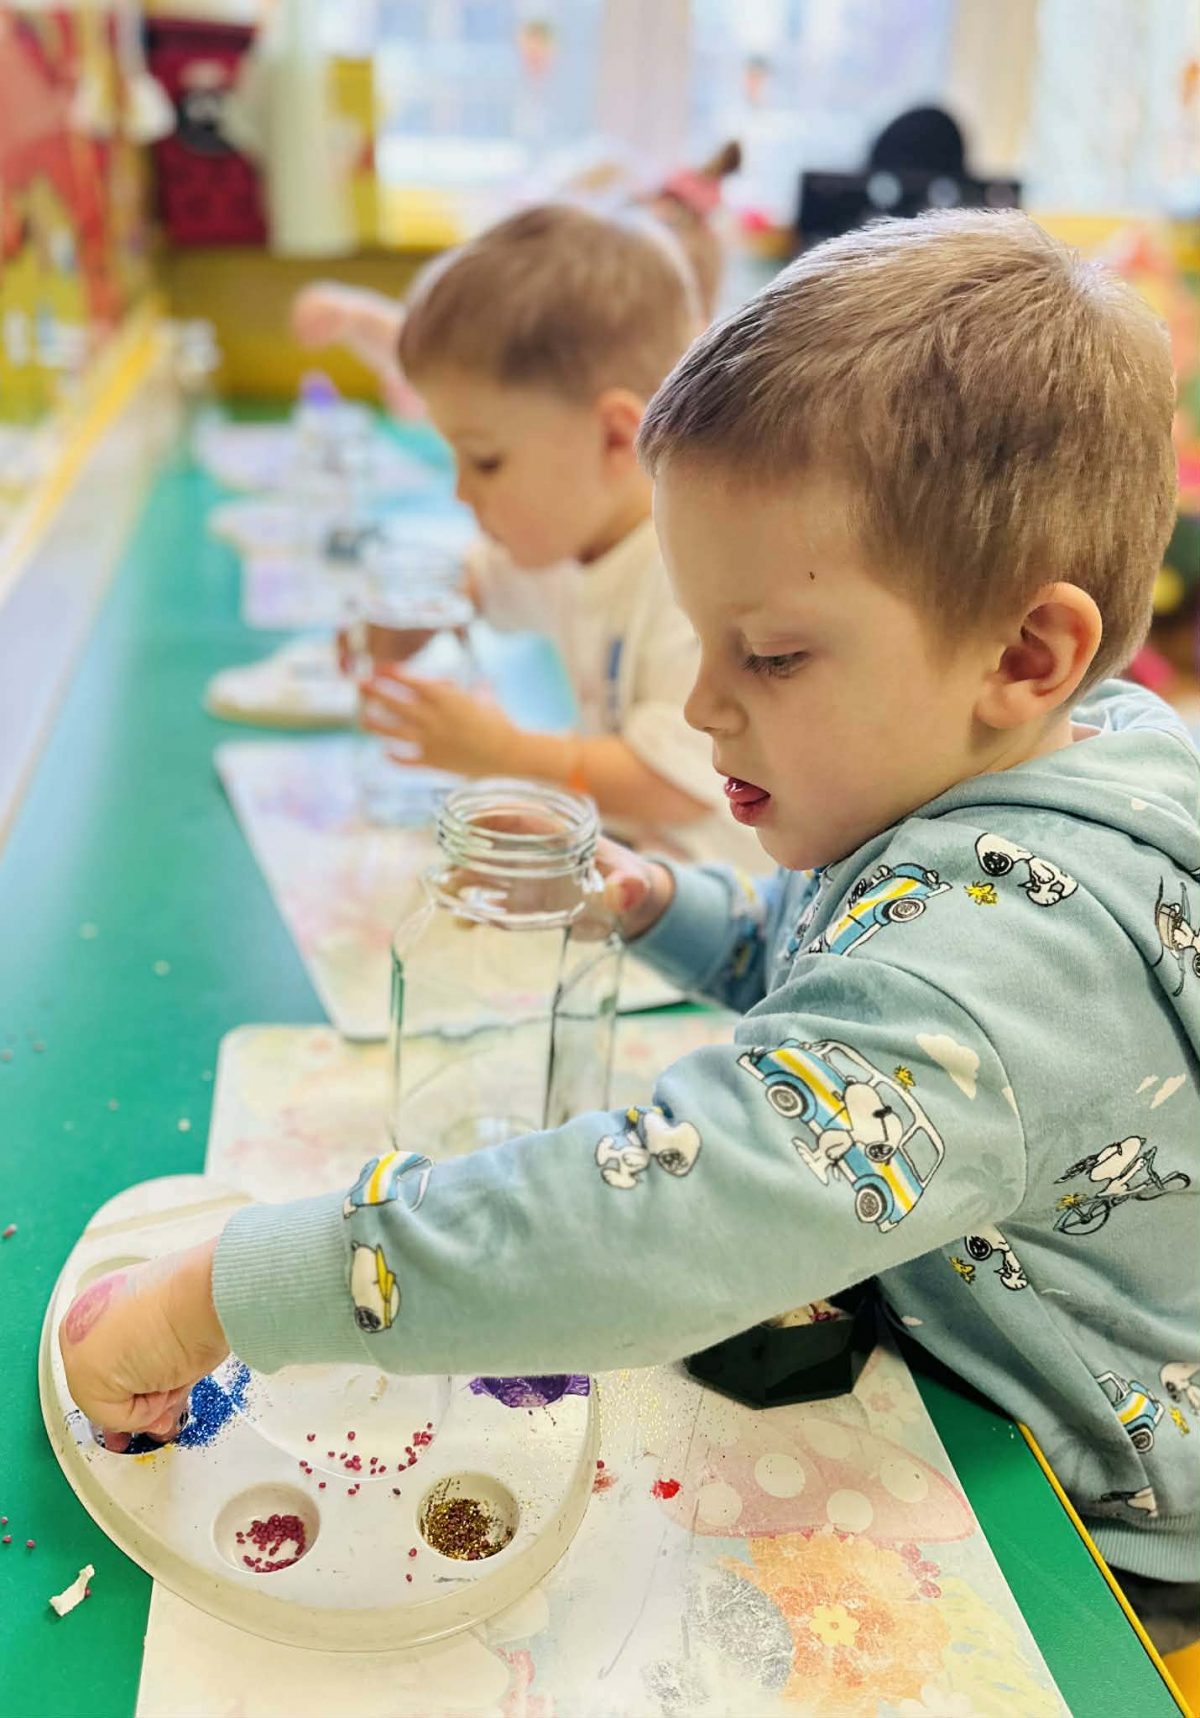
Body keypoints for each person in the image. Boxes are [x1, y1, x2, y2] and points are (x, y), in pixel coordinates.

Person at [59, 210, 1198, 1649]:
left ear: (1027, 653)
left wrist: (221, 1295)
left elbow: (651, 1220)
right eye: (702, 640)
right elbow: (846, 957)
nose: (706, 705)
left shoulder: (1012, 964)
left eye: (769, 654)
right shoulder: (1044, 757)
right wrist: (674, 908)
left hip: (1089, 1539)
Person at [349, 198, 762, 866]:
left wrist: (502, 752)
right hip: (633, 863)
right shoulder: (574, 536)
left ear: (615, 438)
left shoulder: (698, 578)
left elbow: (684, 782)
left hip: (728, 902)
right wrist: (413, 621)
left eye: (485, 461)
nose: (461, 492)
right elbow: (480, 581)